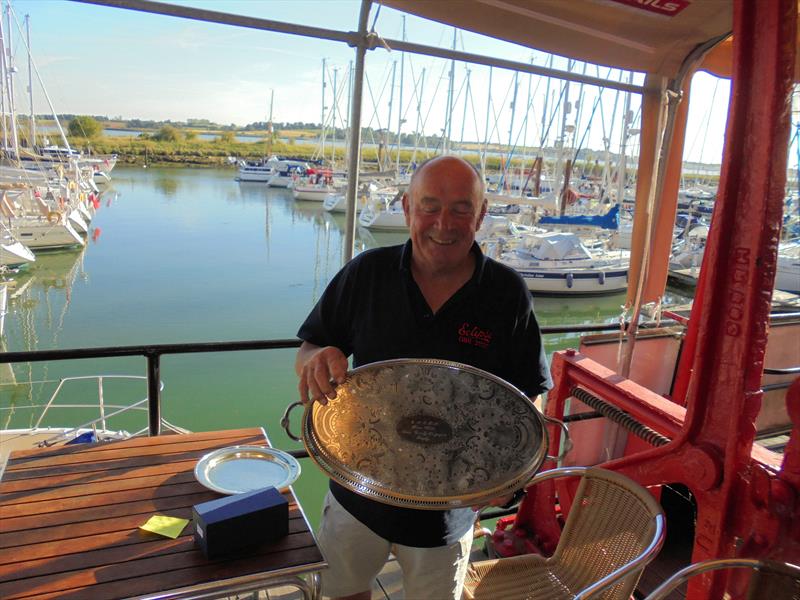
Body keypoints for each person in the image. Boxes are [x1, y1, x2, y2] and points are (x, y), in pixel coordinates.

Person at [295, 155, 552, 600]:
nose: (443, 224)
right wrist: (318, 359)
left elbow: (531, 395)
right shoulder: (367, 273)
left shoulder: (507, 294)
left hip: (447, 514)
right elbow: (309, 349)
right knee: (341, 593)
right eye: (430, 206)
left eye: (460, 208)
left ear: (482, 213)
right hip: (358, 493)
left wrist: (511, 464)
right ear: (407, 207)